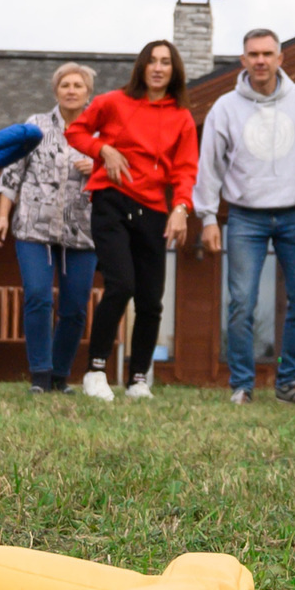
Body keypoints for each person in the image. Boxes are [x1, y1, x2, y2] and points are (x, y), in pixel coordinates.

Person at [194, 28, 295, 405]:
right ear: (243, 60)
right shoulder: (225, 107)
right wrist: (208, 217)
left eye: (267, 54)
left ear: (280, 58)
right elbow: (208, 167)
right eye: (253, 54)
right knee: (241, 302)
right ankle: (242, 384)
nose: (260, 60)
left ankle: (289, 383)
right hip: (245, 218)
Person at [66, 39, 197, 401]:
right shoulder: (113, 102)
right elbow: (74, 131)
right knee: (121, 285)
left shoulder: (181, 117)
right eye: (151, 61)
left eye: (165, 62)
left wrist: (181, 208)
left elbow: (186, 170)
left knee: (152, 300)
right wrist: (102, 148)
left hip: (154, 210)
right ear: (141, 67)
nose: (158, 68)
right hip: (111, 201)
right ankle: (95, 371)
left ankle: (138, 378)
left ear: (174, 71)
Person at [0, 62, 99, 394]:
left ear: (88, 93)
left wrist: (97, 166)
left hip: (82, 233)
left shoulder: (100, 132)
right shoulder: (35, 126)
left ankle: (60, 376)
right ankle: (40, 374)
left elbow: (119, 173)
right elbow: (12, 173)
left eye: (77, 85)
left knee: (75, 307)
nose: (70, 90)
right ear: (56, 90)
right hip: (32, 229)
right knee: (38, 297)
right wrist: (1, 217)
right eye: (65, 84)